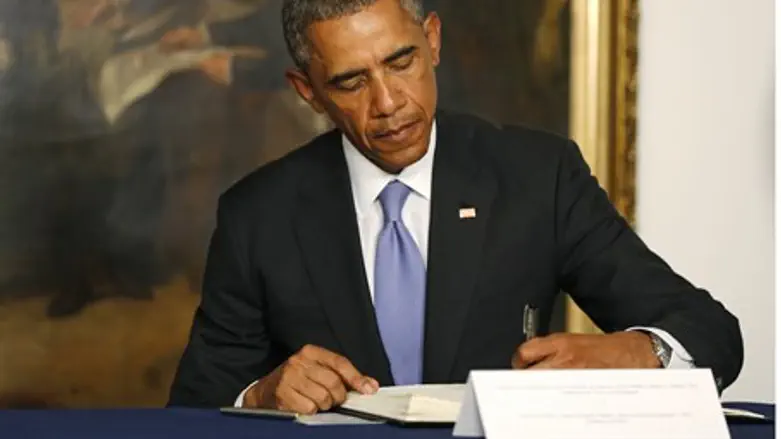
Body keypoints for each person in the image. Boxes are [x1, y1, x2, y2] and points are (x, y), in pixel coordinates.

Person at [167, 0, 743, 413]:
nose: (388, 103)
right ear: (308, 91)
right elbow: (193, 406)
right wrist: (260, 395)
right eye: (350, 82)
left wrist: (637, 352)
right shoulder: (257, 214)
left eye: (401, 62)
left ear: (434, 41)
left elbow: (713, 334)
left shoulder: (538, 177)